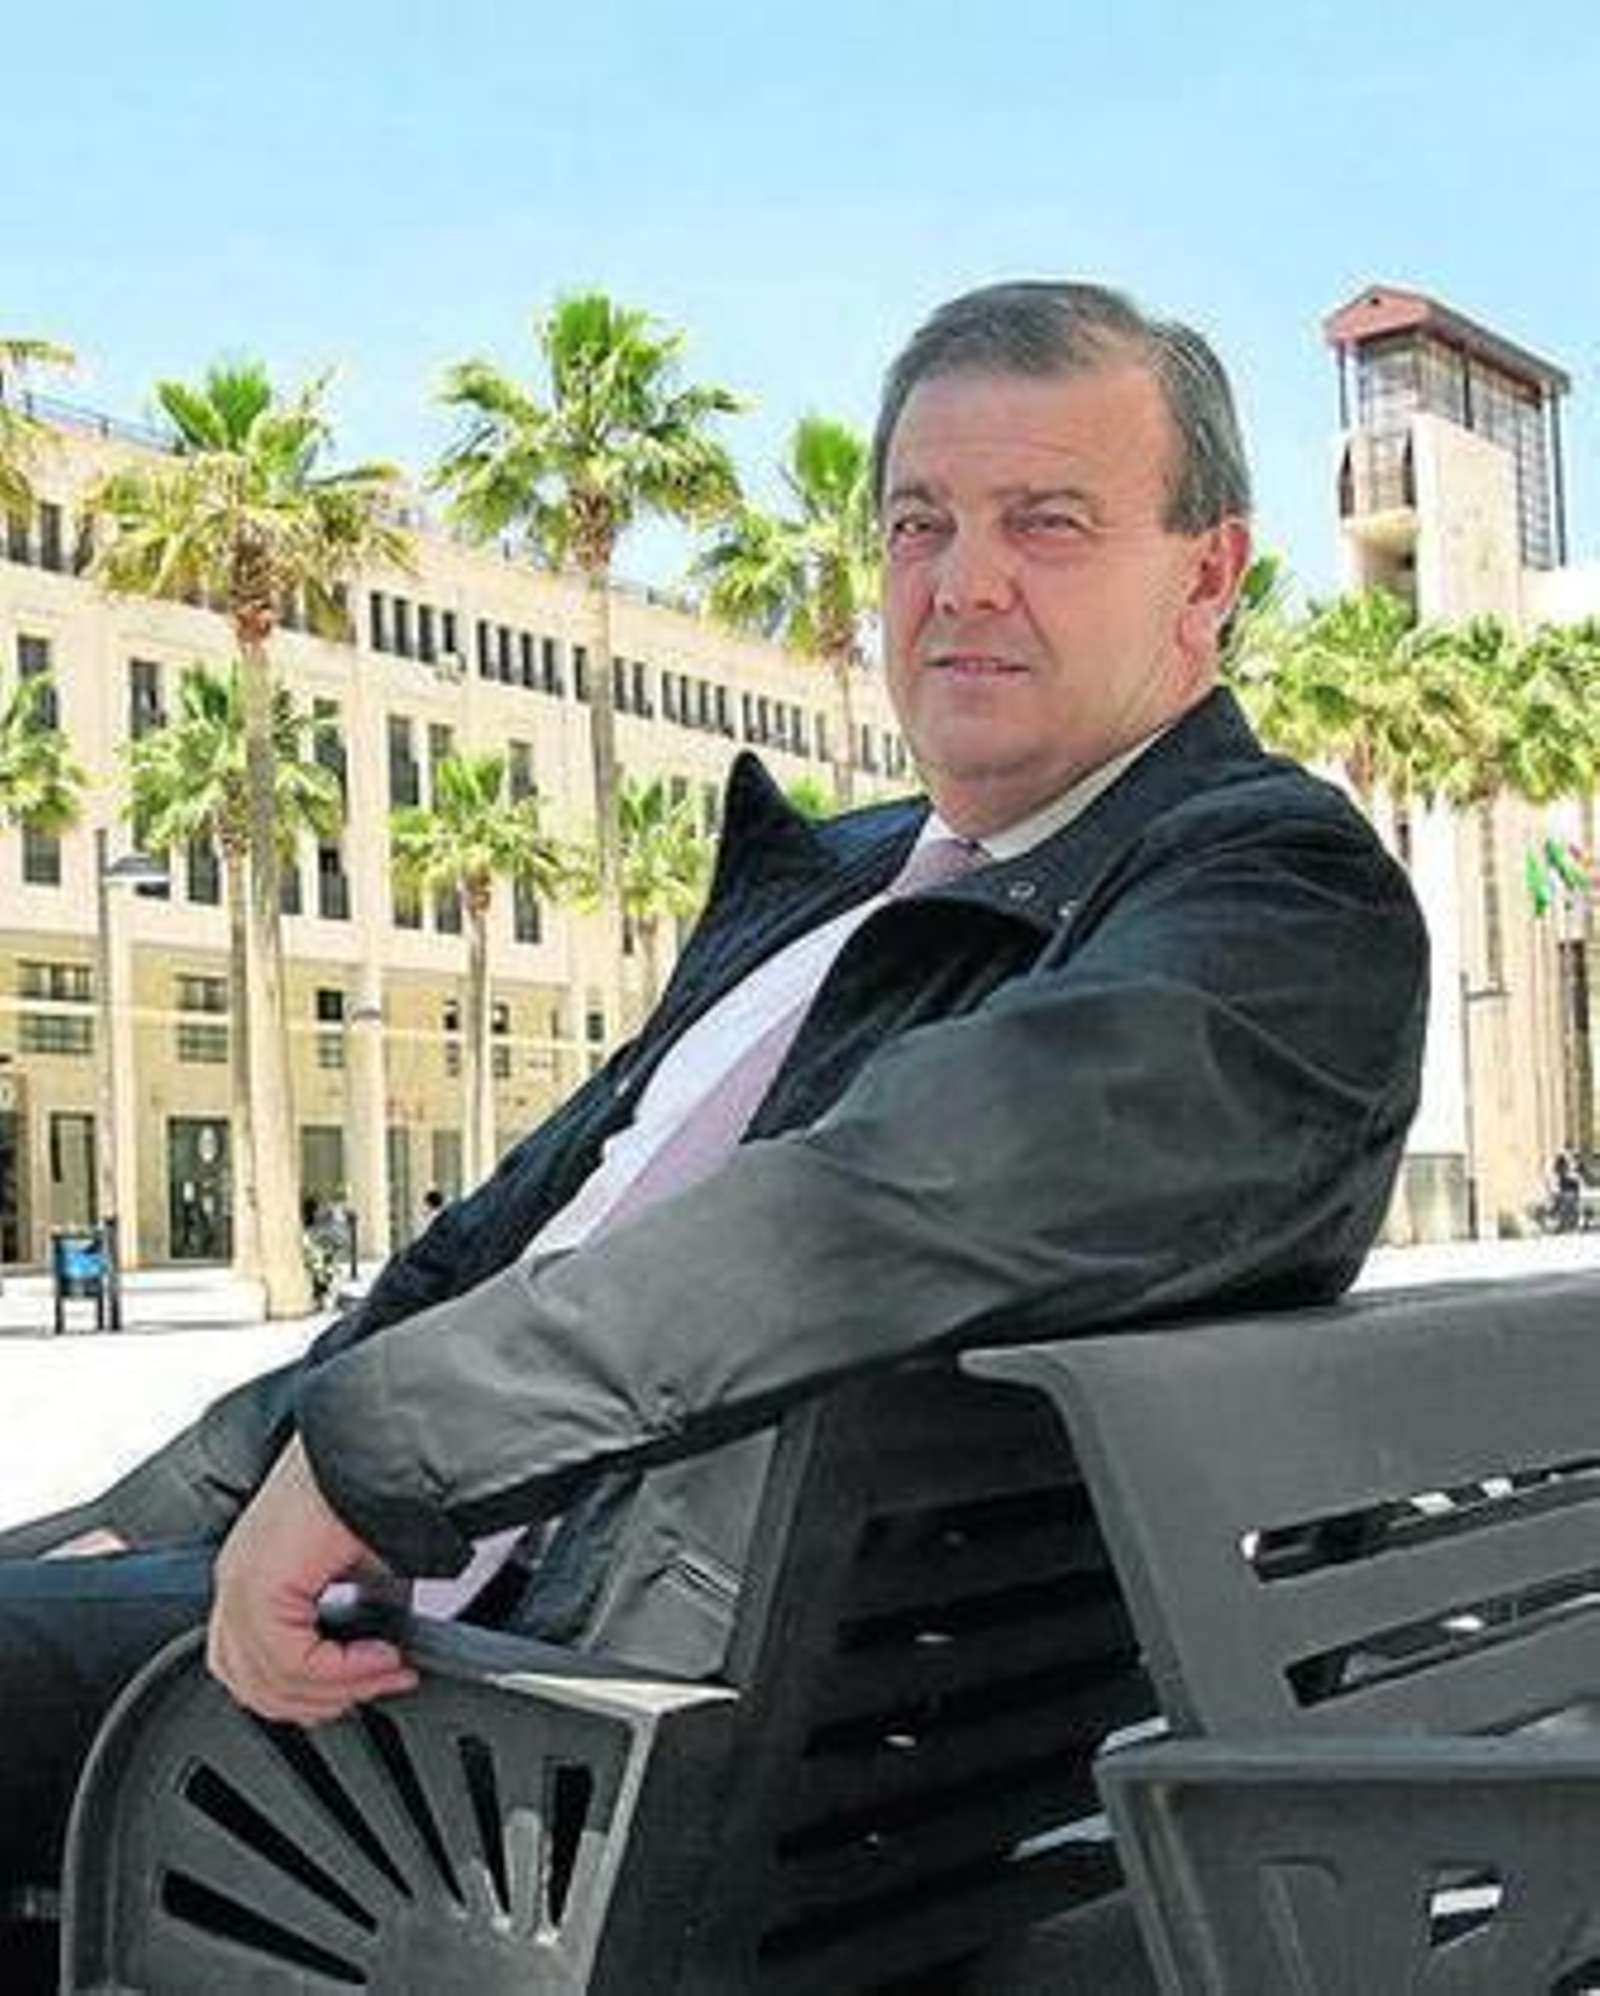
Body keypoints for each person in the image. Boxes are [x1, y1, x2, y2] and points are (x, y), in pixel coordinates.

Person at [0, 281, 1428, 1901]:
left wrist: (384, 1451)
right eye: (917, 524)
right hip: (470, 1596)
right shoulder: (841, 881)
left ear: (1207, 575)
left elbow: (902, 1192)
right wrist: (170, 1501)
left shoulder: (1276, 904)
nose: (964, 583)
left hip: (557, 1710)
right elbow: (486, 1251)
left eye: (1048, 523)